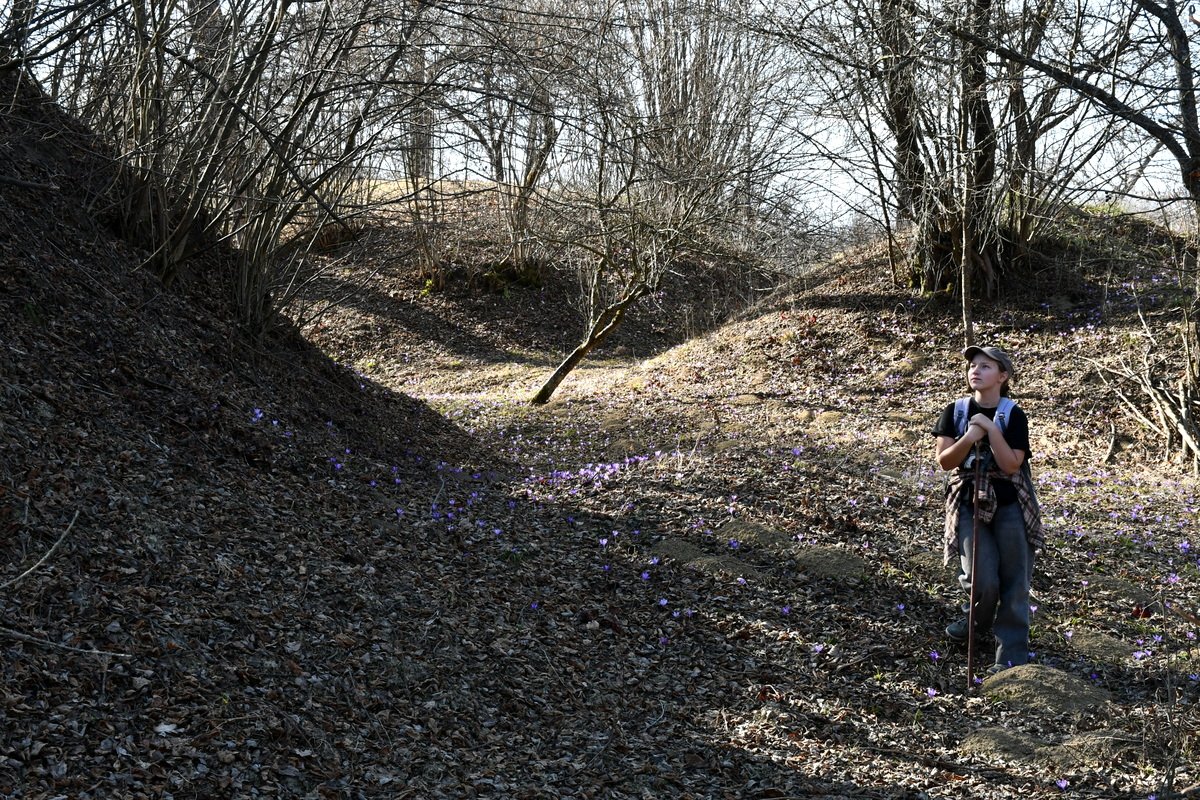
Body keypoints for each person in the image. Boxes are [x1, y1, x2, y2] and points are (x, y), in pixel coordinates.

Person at [932, 345, 1044, 672]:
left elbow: (1011, 465)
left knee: (1014, 578)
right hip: (967, 500)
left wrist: (992, 429)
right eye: (973, 366)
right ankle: (976, 623)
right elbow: (945, 461)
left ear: (1003, 376)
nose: (975, 371)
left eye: (986, 366)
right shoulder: (955, 410)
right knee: (981, 577)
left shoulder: (1014, 414)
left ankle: (1010, 658)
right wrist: (971, 434)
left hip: (1010, 502)